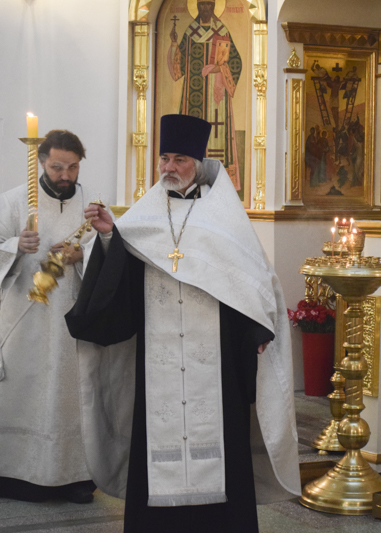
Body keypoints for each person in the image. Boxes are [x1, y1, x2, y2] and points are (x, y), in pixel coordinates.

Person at [65, 114, 300, 532]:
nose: (169, 167)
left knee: (223, 450)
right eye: (164, 158)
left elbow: (251, 283)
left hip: (217, 366)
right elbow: (120, 288)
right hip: (157, 366)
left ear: (198, 162)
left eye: (180, 159)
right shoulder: (142, 219)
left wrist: (255, 330)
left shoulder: (225, 219)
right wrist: (109, 237)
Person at [0, 129, 98, 503]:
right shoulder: (11, 204)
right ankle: (2, 474)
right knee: (17, 391)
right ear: (41, 162)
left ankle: (72, 477)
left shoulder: (93, 206)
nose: (66, 175)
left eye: (73, 167)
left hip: (69, 321)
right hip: (23, 320)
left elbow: (112, 250)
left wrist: (82, 255)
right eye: (57, 167)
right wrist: (16, 245)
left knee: (67, 394)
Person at [168, 0, 242, 191]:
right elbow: (178, 69)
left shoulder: (222, 31)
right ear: (198, 7)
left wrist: (219, 68)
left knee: (217, 132)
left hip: (217, 97)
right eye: (202, 5)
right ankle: (188, 179)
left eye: (209, 4)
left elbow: (235, 62)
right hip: (193, 96)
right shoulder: (191, 32)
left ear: (214, 6)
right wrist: (174, 43)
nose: (205, 9)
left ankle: (219, 182)